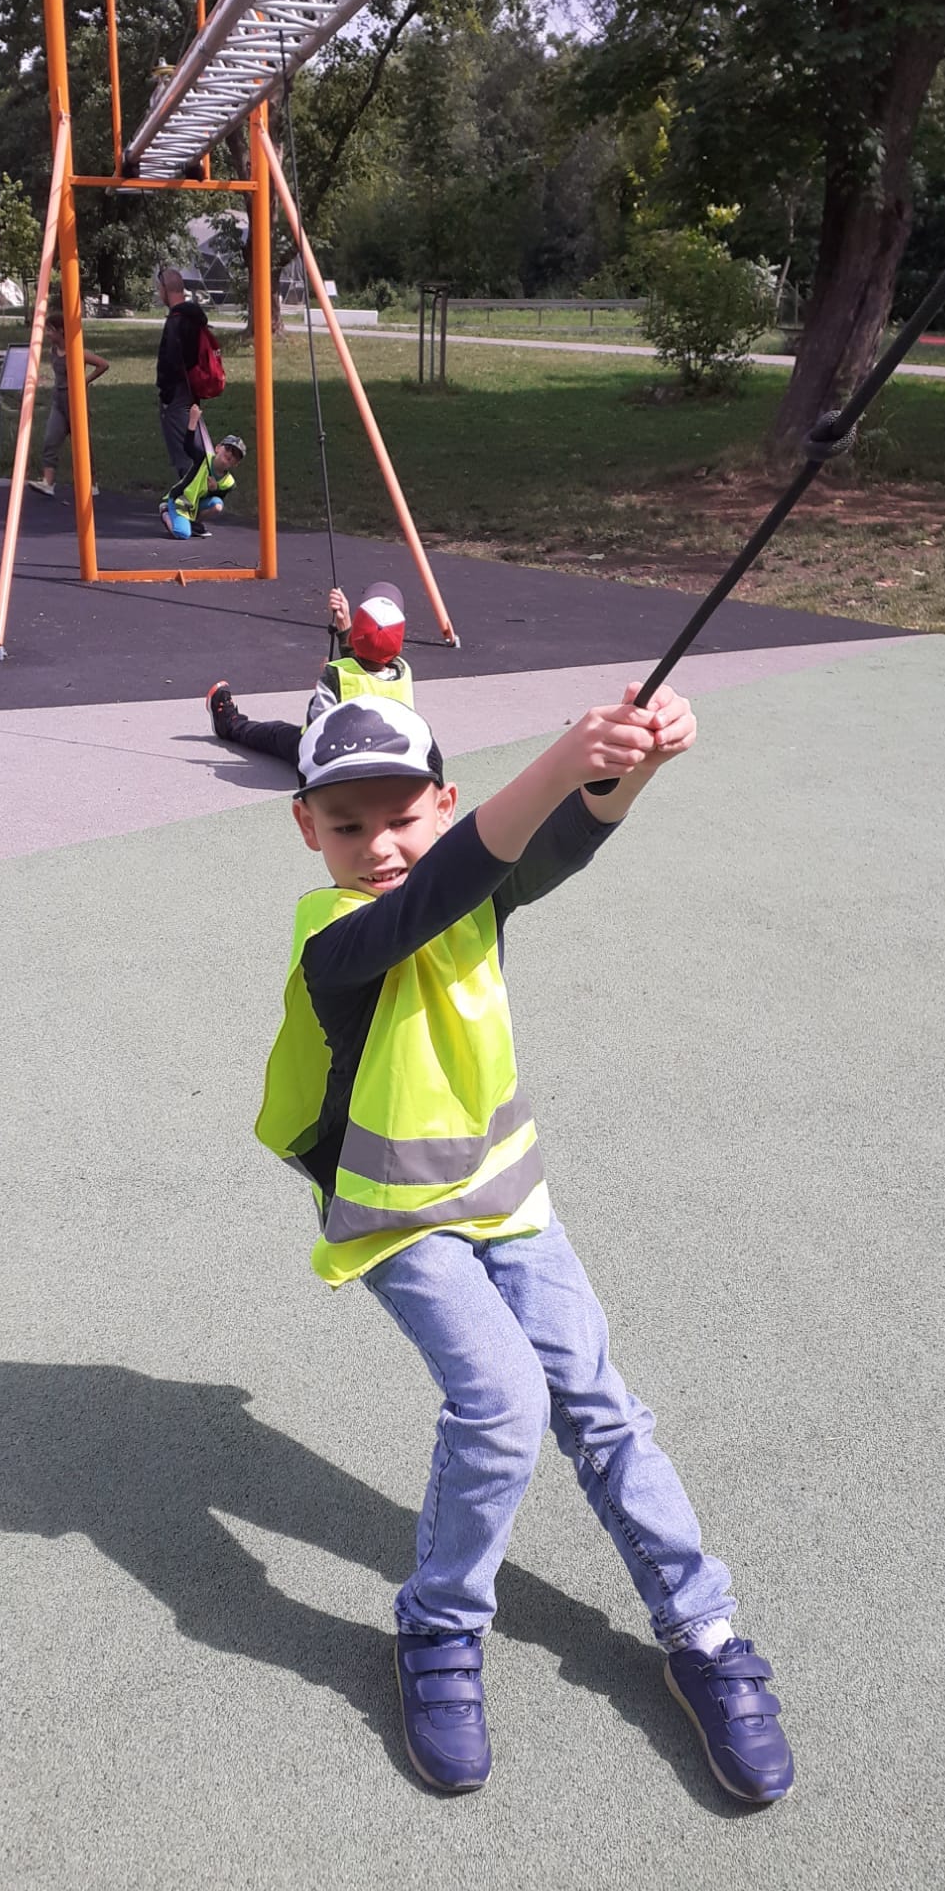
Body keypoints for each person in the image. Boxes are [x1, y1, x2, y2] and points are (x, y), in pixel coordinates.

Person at [254, 686, 794, 1806]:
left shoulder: (475, 882)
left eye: (404, 817)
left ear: (444, 801)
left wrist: (633, 764)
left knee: (600, 1403)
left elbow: (562, 842)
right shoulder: (331, 936)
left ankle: (703, 1630)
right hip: (396, 1216)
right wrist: (558, 760)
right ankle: (438, 1628)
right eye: (348, 824)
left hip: (505, 1195)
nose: (380, 844)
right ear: (307, 828)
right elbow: (445, 886)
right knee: (502, 1405)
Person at [205, 581, 412, 767]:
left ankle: (230, 724)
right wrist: (346, 629)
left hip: (335, 765)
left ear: (353, 638)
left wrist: (327, 680)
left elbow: (314, 734)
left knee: (275, 734)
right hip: (387, 763)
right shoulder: (403, 672)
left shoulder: (335, 675)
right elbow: (369, 669)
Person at [27, 312, 108, 498]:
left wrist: (85, 381)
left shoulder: (76, 351)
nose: (47, 334)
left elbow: (103, 364)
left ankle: (91, 483)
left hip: (75, 403)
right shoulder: (53, 351)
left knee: (82, 445)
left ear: (61, 331)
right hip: (59, 401)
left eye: (50, 330)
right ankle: (48, 482)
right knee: (50, 440)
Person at [160, 405, 246, 539]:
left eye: (235, 455)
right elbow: (188, 446)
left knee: (217, 505)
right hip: (180, 500)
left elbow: (217, 497)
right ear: (218, 448)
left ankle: (193, 523)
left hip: (194, 505)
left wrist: (215, 489)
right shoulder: (203, 458)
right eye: (228, 449)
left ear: (236, 464)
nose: (230, 454)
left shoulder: (229, 482)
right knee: (182, 534)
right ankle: (165, 512)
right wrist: (193, 421)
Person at [156, 266, 209, 473]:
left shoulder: (176, 321)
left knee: (183, 450)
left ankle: (192, 489)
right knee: (193, 437)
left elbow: (170, 361)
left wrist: (166, 396)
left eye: (159, 289)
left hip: (176, 394)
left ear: (164, 289)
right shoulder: (194, 317)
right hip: (192, 388)